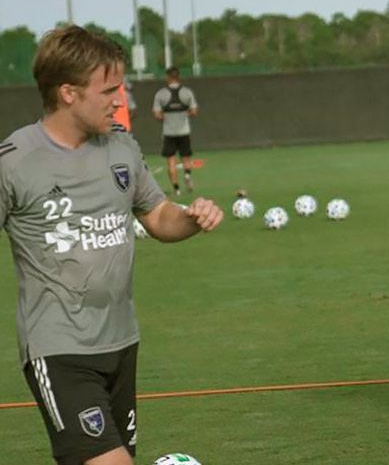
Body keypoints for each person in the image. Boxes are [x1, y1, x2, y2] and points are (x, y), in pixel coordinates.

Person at [0, 26, 224, 465]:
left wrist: (192, 218)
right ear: (68, 93)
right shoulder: (15, 162)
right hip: (58, 348)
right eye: (109, 90)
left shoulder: (121, 149)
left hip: (122, 342)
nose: (119, 100)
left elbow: (159, 217)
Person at [151, 67, 198, 196]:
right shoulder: (187, 92)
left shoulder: (161, 94)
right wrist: (184, 113)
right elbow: (194, 112)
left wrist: (165, 116)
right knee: (186, 157)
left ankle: (176, 188)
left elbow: (156, 114)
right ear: (178, 77)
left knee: (171, 161)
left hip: (169, 132)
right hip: (184, 131)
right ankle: (187, 176)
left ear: (168, 77)